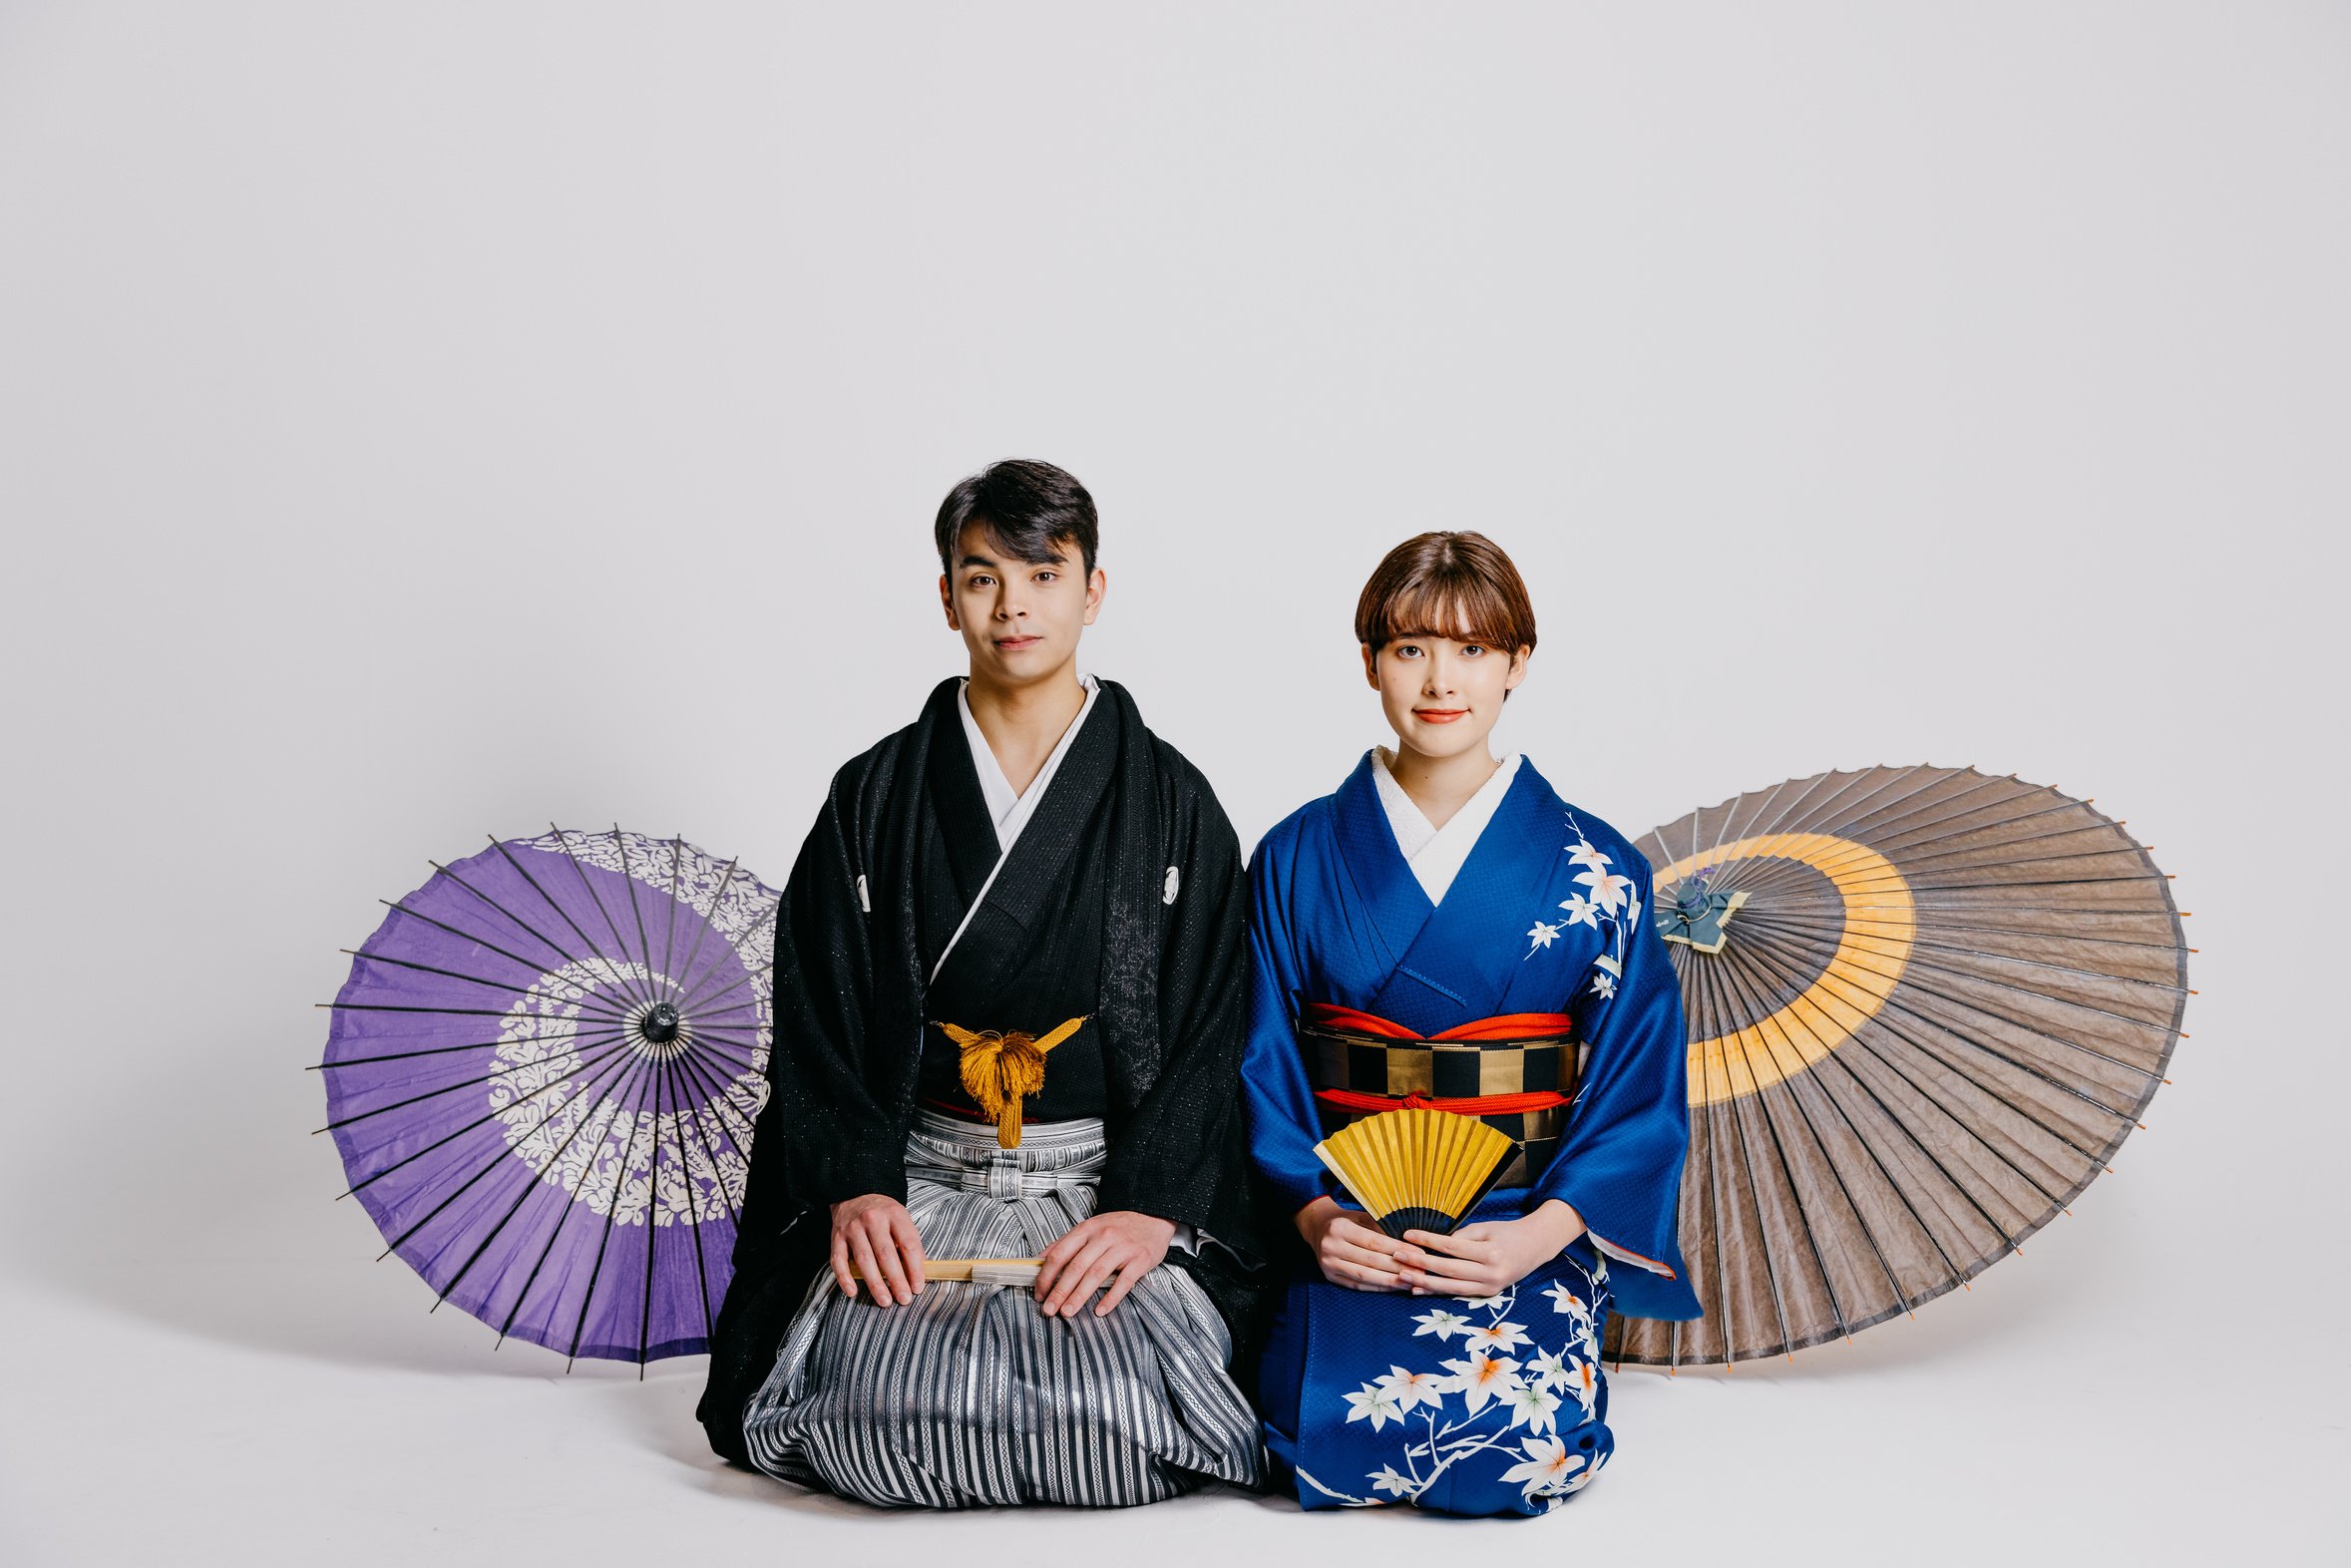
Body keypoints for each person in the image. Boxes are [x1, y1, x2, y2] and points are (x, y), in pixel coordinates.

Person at [694, 459, 1265, 1508]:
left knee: (1130, 1400)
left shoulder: (1171, 800)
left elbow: (1211, 1025)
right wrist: (857, 1180)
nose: (1013, 605)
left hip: (1097, 1187)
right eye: (981, 577)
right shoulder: (874, 794)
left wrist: (1149, 1207)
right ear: (945, 596)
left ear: (1093, 591)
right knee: (871, 1397)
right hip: (920, 1181)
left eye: (1043, 575)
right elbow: (814, 1010)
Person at [1241, 531, 1700, 1515]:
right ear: (1367, 662)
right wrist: (1316, 1217)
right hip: (1348, 1227)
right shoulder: (1292, 856)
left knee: (1518, 1449)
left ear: (1515, 664)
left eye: (1471, 651)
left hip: (1511, 1228)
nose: (1438, 679)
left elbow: (1636, 1084)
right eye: (1408, 649)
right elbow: (1256, 1061)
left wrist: (1542, 1234)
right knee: (1302, 1428)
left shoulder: (1598, 867)